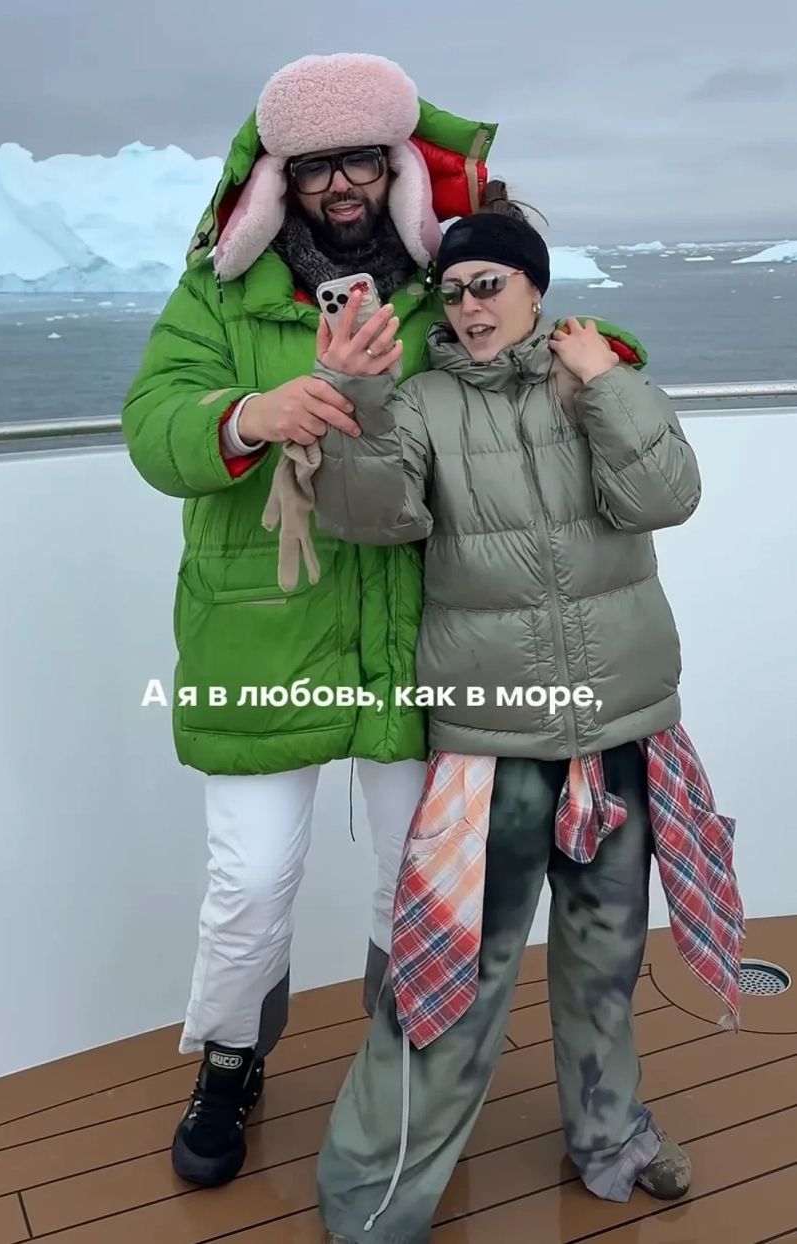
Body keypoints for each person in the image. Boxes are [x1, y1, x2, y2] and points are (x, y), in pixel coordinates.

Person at [308, 183, 744, 1242]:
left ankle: (611, 1137)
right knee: (450, 977)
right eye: (453, 290)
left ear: (535, 288)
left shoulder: (598, 379)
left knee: (604, 965)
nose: (468, 307)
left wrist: (606, 385)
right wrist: (358, 398)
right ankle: (370, 1196)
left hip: (623, 730)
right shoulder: (419, 403)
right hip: (493, 746)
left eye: (488, 284)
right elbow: (370, 517)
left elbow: (667, 496)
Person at [120, 52, 498, 1188]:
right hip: (263, 628)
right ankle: (231, 1056)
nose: (341, 185)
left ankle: (402, 1058)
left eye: (362, 162)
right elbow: (152, 424)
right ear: (278, 178)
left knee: (411, 873)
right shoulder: (218, 294)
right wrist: (250, 412)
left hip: (410, 622)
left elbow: (514, 367)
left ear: (397, 168)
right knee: (249, 881)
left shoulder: (443, 285)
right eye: (316, 165)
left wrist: (602, 365)